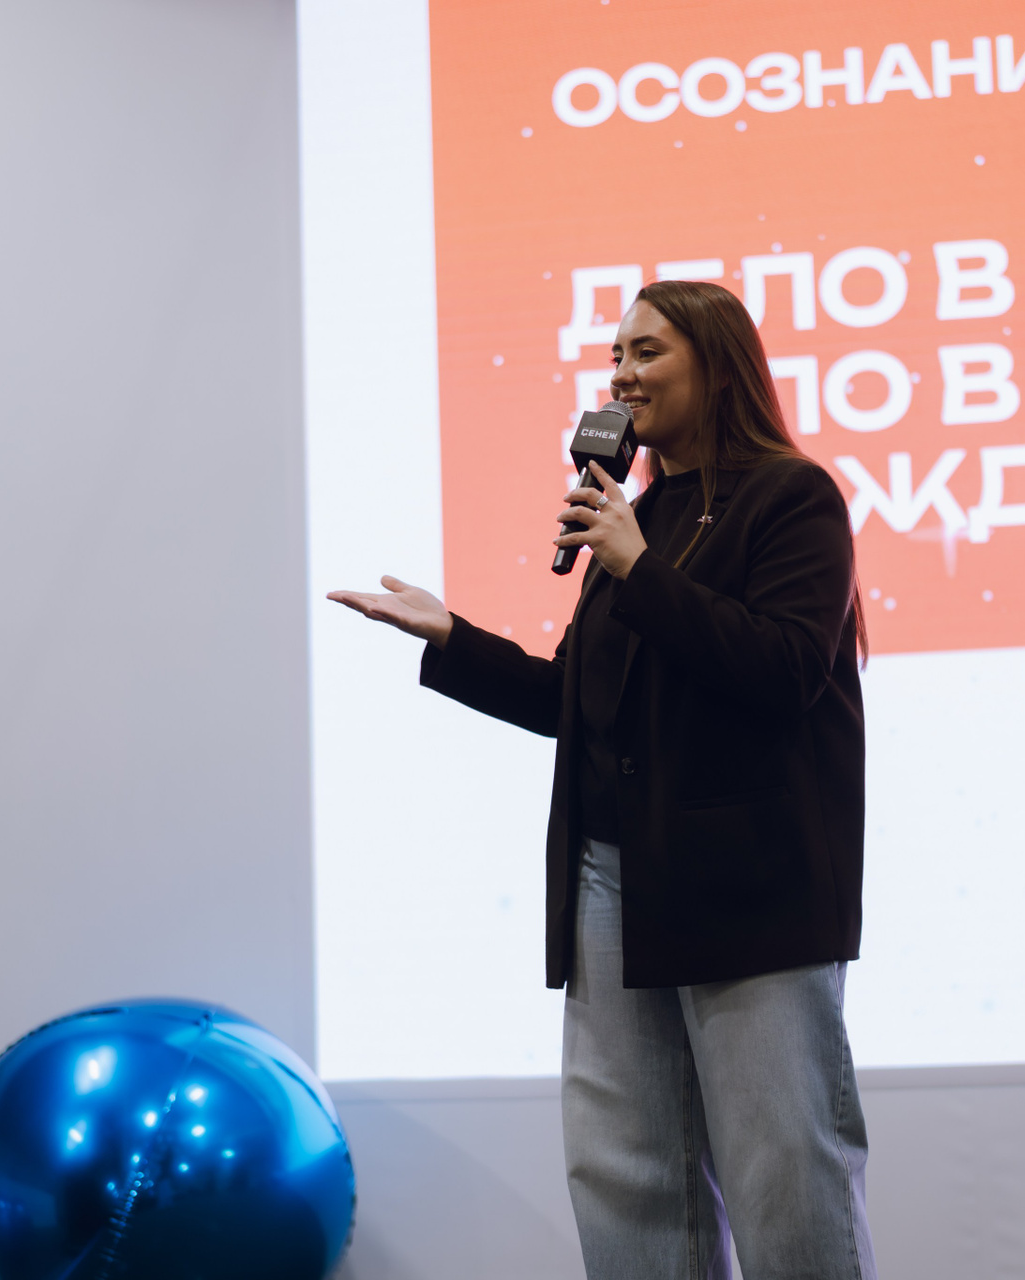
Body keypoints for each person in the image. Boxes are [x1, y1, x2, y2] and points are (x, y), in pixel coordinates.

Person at [328, 280, 876, 1280]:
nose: (621, 374)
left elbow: (785, 671)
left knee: (783, 1174)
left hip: (749, 891)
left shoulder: (789, 499)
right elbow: (574, 700)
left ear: (718, 365)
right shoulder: (639, 513)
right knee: (624, 1175)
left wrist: (637, 566)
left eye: (647, 351)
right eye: (617, 354)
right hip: (613, 880)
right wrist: (451, 637)